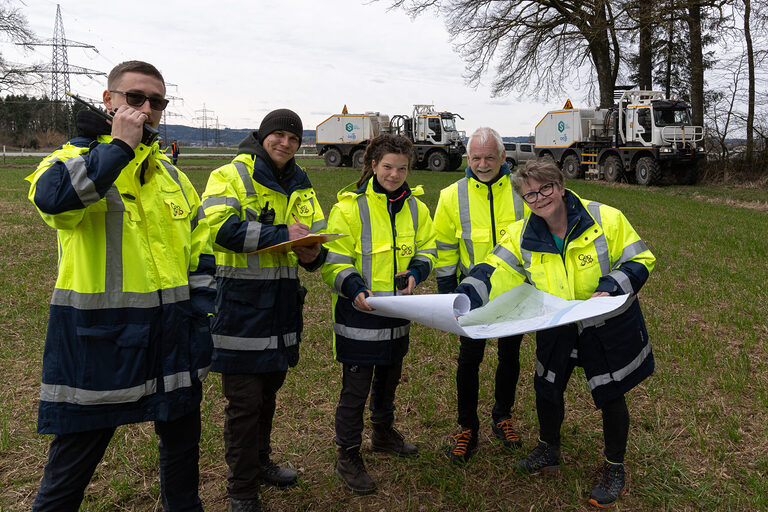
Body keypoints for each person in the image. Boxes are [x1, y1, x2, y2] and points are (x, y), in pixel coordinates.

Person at [25, 60, 215, 511]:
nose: (146, 109)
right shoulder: (70, 161)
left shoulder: (173, 178)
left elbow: (200, 251)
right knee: (70, 471)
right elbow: (54, 201)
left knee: (183, 456)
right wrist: (119, 147)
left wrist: (201, 314)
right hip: (101, 342)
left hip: (173, 338)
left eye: (157, 102)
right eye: (135, 98)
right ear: (108, 100)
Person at [457, 159, 656, 509]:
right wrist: (465, 297)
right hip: (556, 322)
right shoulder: (520, 234)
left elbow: (641, 260)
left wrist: (612, 286)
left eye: (545, 188)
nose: (539, 198)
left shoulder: (605, 218)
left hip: (604, 322)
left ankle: (614, 468)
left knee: (610, 394)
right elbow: (494, 269)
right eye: (530, 194)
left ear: (561, 187)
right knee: (546, 387)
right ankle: (548, 449)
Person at [202, 108, 326, 512]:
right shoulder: (229, 175)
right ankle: (241, 491)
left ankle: (260, 463)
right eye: (278, 135)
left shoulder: (301, 184)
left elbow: (315, 237)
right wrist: (279, 234)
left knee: (268, 395)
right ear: (262, 136)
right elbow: (218, 229)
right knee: (244, 404)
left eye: (293, 139)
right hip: (240, 309)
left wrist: (314, 254)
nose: (285, 143)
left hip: (282, 309)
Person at [321, 134, 437, 495]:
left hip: (397, 317)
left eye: (402, 168)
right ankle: (348, 455)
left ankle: (383, 434)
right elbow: (334, 261)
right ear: (372, 165)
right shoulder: (348, 208)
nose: (394, 174)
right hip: (358, 318)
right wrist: (355, 287)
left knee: (389, 380)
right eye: (387, 166)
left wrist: (416, 272)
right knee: (355, 391)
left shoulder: (417, 209)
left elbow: (428, 249)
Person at [433, 127, 529, 464]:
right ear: (467, 157)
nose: (483, 164)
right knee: (469, 360)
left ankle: (503, 417)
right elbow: (445, 249)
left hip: (514, 294)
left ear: (503, 157)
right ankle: (466, 427)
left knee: (509, 357)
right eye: (476, 158)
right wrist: (448, 296)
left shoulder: (522, 191)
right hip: (470, 297)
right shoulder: (451, 196)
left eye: (490, 157)